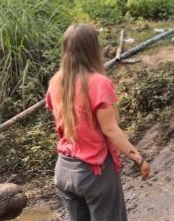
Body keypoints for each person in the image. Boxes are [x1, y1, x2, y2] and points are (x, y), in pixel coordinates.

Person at [46, 24, 151, 221]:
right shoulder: (98, 83)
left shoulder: (55, 82)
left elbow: (61, 123)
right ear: (92, 49)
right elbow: (110, 130)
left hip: (64, 170)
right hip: (94, 172)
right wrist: (139, 159)